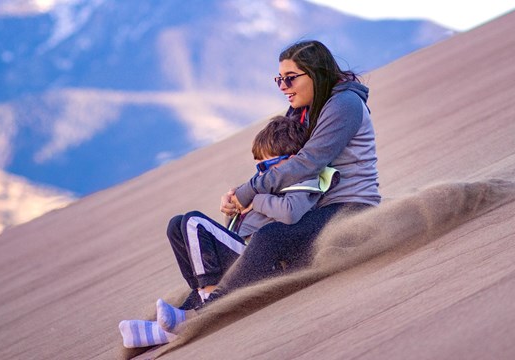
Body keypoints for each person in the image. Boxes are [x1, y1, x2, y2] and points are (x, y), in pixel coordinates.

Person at [155, 39, 380, 334]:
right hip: (309, 210)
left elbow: (306, 164)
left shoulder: (344, 105)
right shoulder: (302, 111)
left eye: (290, 78)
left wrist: (250, 191)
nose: (284, 87)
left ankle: (209, 310)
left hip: (348, 208)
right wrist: (239, 200)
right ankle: (188, 310)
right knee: (182, 226)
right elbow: (279, 165)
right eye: (279, 80)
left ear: (317, 74)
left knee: (271, 235)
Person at [119, 115, 339, 348]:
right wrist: (233, 209)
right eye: (258, 167)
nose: (261, 174)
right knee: (177, 224)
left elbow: (291, 212)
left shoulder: (303, 180)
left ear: (291, 161)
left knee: (194, 221)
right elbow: (235, 229)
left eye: (266, 166)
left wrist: (257, 200)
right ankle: (167, 326)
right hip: (243, 253)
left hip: (263, 260)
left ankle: (206, 297)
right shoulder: (269, 184)